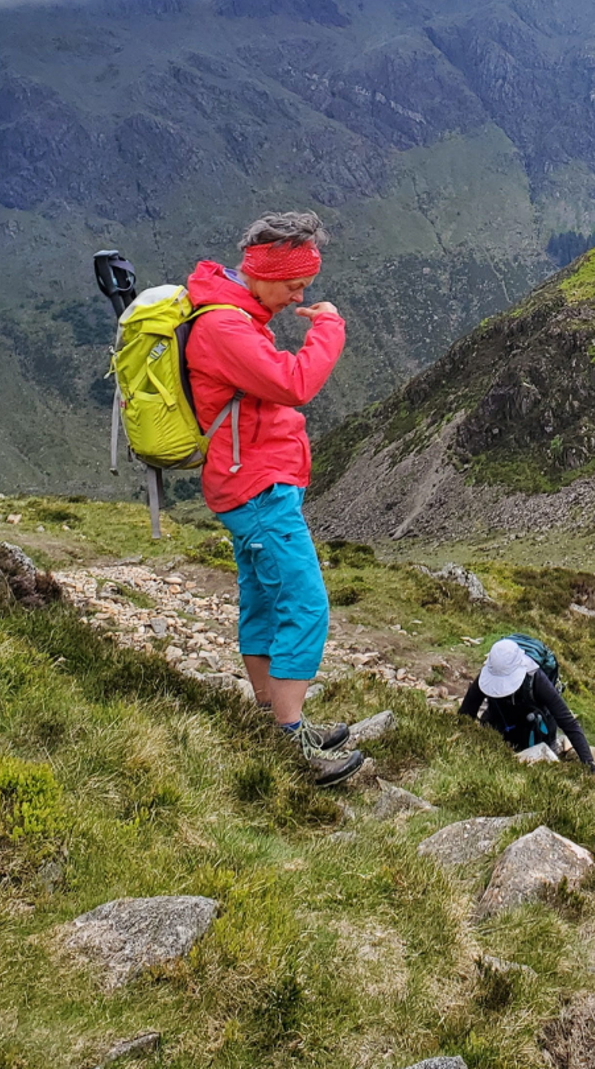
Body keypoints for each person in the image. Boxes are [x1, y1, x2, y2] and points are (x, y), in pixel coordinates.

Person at [186, 211, 363, 786]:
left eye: (305, 285)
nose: (300, 295)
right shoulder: (226, 327)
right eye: (293, 283)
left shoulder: (237, 312)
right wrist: (328, 327)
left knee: (263, 599)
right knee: (306, 604)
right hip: (257, 489)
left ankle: (270, 714)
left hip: (251, 483)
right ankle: (292, 741)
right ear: (262, 271)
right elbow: (295, 384)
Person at [459, 638, 595, 769]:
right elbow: (466, 713)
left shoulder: (535, 678)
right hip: (498, 726)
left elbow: (568, 722)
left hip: (535, 734)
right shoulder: (490, 672)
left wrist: (589, 764)